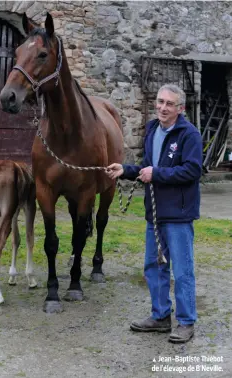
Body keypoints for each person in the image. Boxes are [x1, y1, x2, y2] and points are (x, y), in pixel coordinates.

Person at [106, 84, 203, 343]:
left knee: (182, 271)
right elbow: (147, 167)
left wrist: (156, 174)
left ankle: (185, 322)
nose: (162, 107)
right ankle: (160, 317)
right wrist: (125, 170)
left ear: (180, 108)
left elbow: (193, 171)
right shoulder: (151, 129)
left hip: (179, 215)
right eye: (160, 101)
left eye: (169, 103)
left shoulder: (189, 135)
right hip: (155, 213)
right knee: (154, 267)